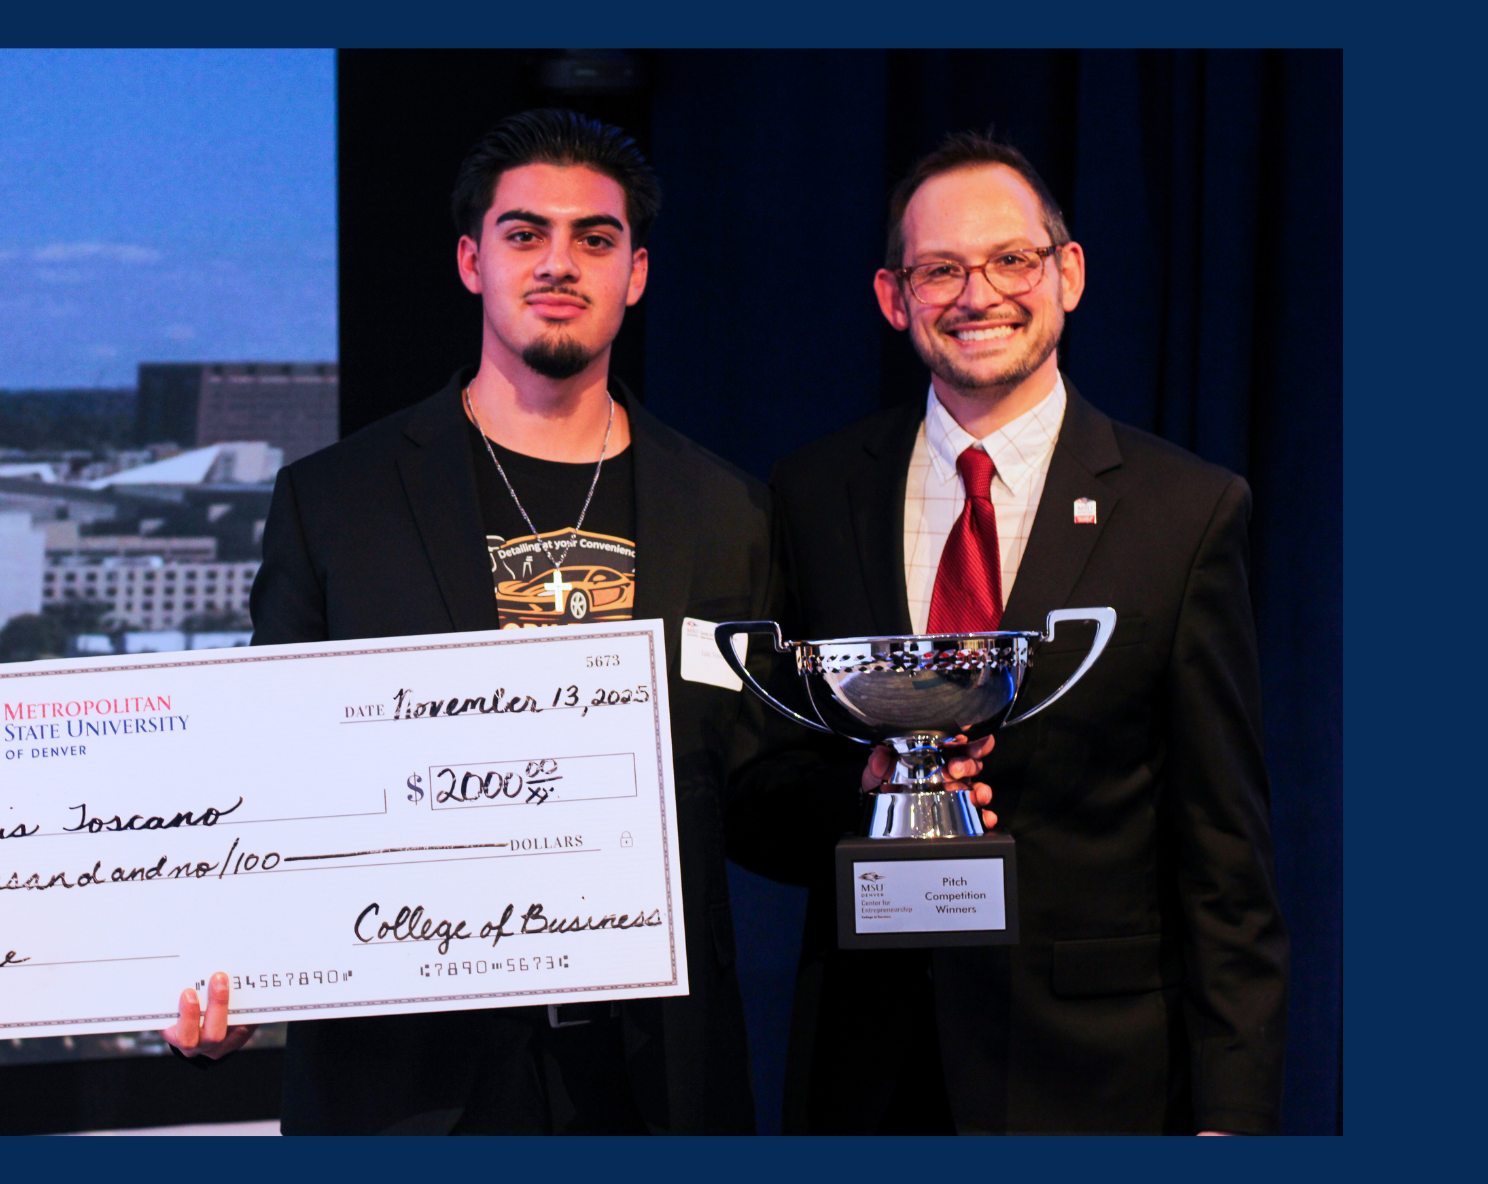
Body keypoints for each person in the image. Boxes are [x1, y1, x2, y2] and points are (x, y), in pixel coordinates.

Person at [161, 108, 992, 1135]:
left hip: (651, 1076)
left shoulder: (728, 510)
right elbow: (264, 773)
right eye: (526, 234)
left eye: (595, 239)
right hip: (408, 1078)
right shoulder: (337, 499)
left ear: (636, 272)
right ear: (472, 259)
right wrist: (219, 963)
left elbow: (751, 785)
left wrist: (871, 788)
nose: (561, 262)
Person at [727, 132, 1289, 1135]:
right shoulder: (815, 493)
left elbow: (1225, 859)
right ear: (893, 296)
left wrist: (1232, 1120)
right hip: (871, 1077)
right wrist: (862, 791)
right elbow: (759, 791)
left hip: (1097, 1083)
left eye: (1010, 259)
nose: (976, 293)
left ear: (1066, 273)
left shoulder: (1184, 513)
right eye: (939, 267)